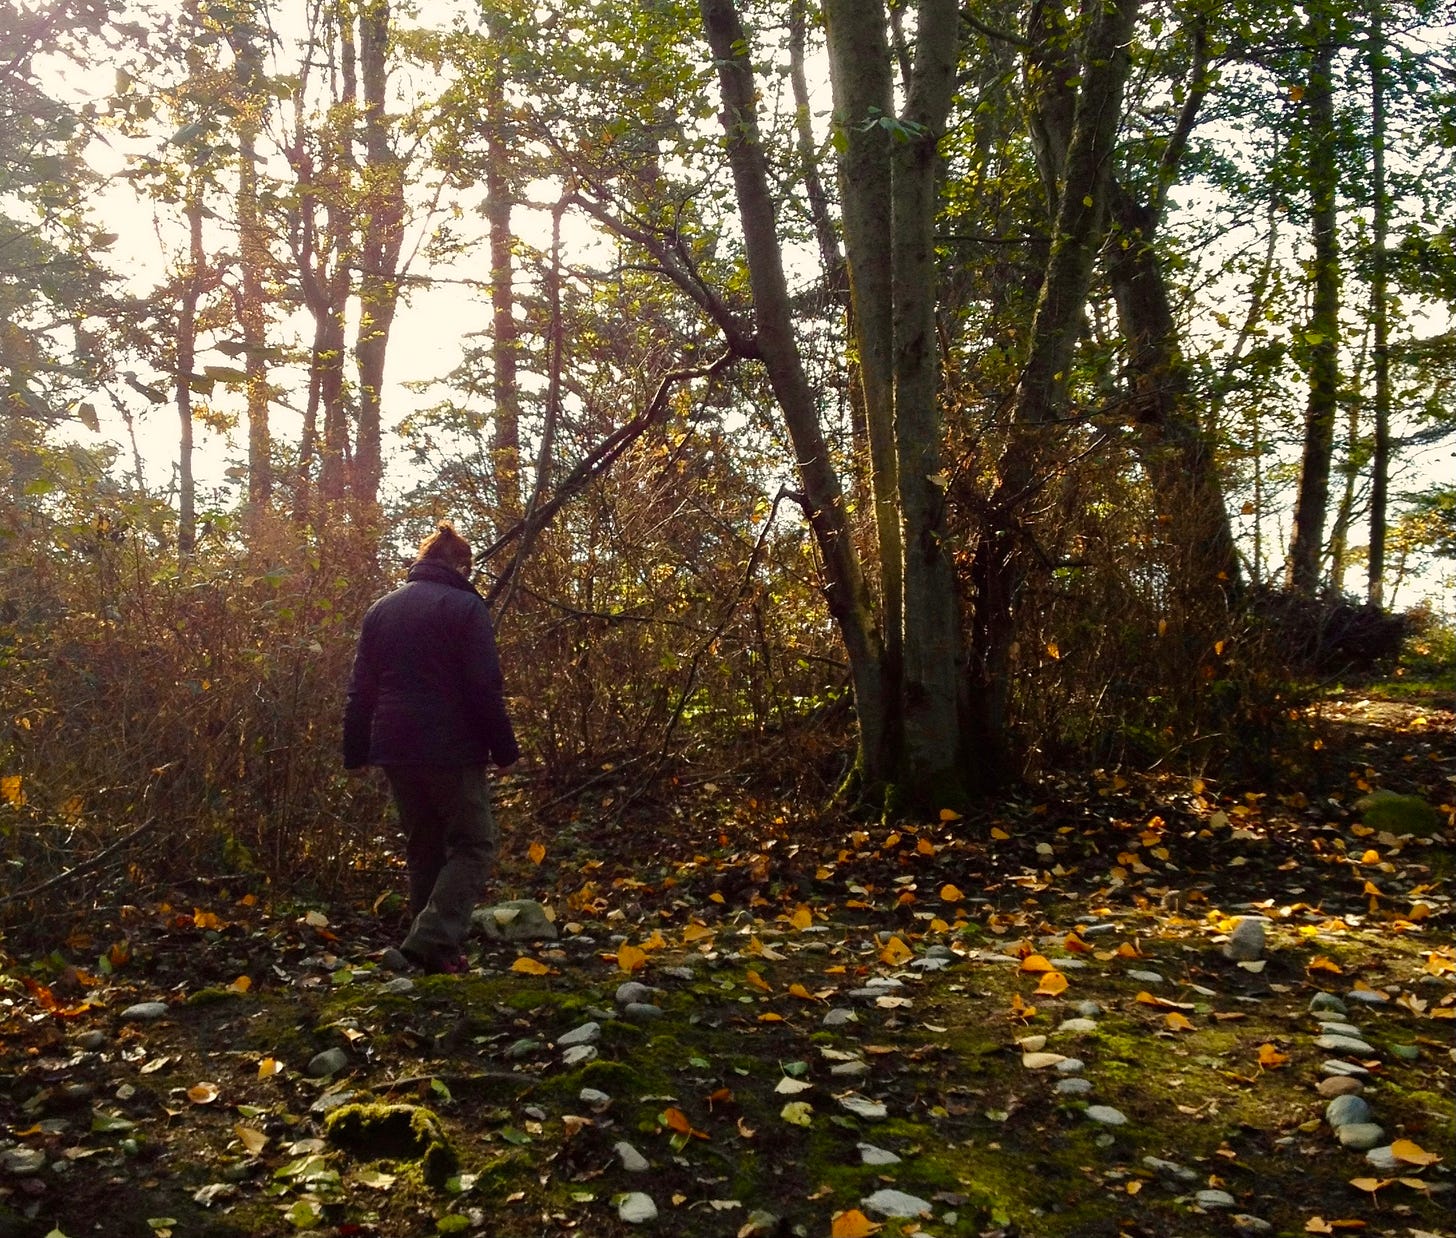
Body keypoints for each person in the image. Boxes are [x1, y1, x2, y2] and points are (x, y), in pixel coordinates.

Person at [343, 522, 520, 973]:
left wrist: (356, 750)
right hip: (451, 747)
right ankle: (430, 939)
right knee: (473, 845)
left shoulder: (380, 610)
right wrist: (504, 750)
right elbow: (484, 687)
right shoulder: (466, 608)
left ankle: (430, 955)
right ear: (462, 565)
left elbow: (360, 690)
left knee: (424, 847)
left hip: (395, 746)